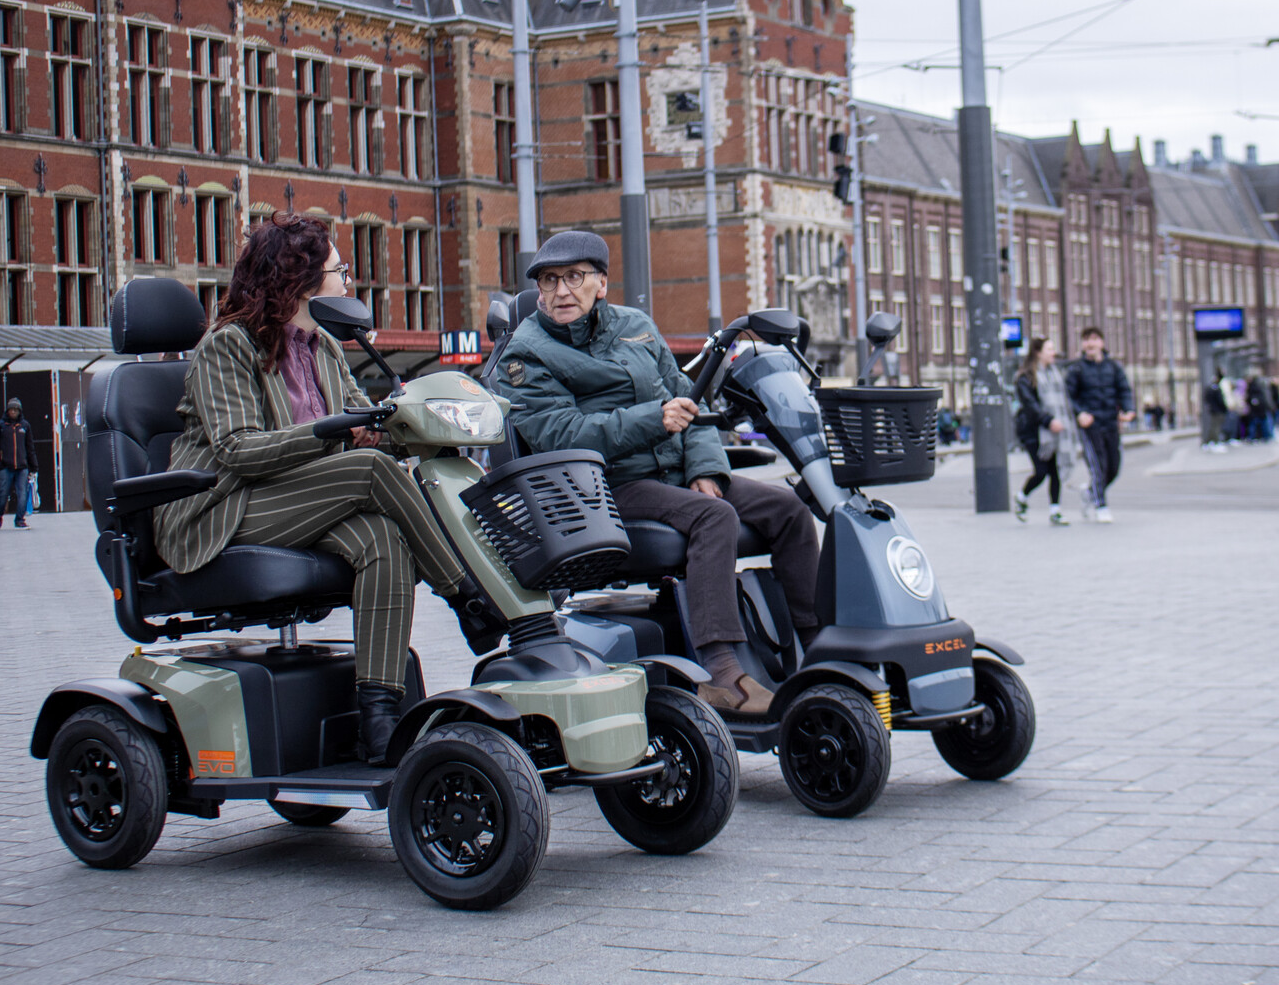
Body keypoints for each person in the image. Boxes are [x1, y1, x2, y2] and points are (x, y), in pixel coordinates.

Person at [154, 212, 490, 764]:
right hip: (225, 507)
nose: (347, 282)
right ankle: (467, 596)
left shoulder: (325, 348)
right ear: (301, 280)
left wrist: (418, 422)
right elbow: (238, 450)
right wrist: (330, 432)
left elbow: (368, 426)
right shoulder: (227, 347)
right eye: (340, 271)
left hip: (304, 500)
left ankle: (378, 717)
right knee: (370, 471)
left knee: (382, 538)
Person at [489, 230, 818, 717]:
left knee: (788, 510)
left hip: (672, 473)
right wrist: (653, 420)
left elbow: (688, 397)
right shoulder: (525, 352)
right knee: (714, 518)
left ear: (601, 283)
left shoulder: (635, 326)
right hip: (602, 489)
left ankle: (815, 645)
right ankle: (721, 672)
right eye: (549, 280)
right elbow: (562, 436)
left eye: (574, 277)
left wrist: (705, 468)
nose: (561, 291)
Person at [1065, 326, 1133, 523]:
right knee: (1098, 466)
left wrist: (1128, 409)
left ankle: (1090, 492)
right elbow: (1069, 396)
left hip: (1110, 423)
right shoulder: (1076, 369)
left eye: (1094, 339)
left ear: (1102, 342)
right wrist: (1080, 413)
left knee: (1113, 467)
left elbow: (1124, 390)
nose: (1090, 344)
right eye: (1086, 340)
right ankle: (1101, 505)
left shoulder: (1113, 367)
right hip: (1090, 425)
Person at [1012, 337, 1074, 527]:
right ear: (1038, 353)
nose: (1053, 353)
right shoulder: (1025, 377)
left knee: (1055, 470)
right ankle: (1022, 496)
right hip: (1032, 430)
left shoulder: (1055, 374)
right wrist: (1048, 421)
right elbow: (1030, 405)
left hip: (1052, 430)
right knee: (1041, 471)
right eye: (1049, 349)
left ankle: (1055, 511)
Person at [0, 397, 34, 529]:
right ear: (7, 411)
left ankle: (19, 519)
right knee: (3, 494)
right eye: (11, 409)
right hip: (6, 467)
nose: (13, 412)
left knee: (22, 494)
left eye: (16, 409)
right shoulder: (1, 426)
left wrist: (33, 466)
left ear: (19, 411)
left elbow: (30, 447)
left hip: (22, 467)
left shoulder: (25, 426)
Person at [1201, 370, 1228, 450]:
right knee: (1216, 427)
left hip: (1213, 410)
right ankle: (1215, 442)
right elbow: (1220, 400)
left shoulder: (1210, 388)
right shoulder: (1216, 388)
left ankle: (1209, 442)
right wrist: (1224, 408)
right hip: (1218, 410)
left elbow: (1206, 399)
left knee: (1214, 426)